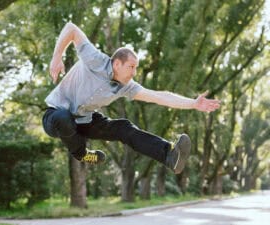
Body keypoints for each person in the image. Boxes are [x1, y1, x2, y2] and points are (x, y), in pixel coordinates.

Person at [42, 22, 221, 174]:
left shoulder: (127, 86)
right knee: (63, 117)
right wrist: (57, 57)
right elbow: (71, 29)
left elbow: (159, 97)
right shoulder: (95, 59)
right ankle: (81, 153)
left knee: (124, 128)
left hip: (84, 121)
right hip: (54, 116)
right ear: (117, 63)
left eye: (136, 68)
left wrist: (193, 104)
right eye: (131, 67)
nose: (134, 73)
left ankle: (168, 154)